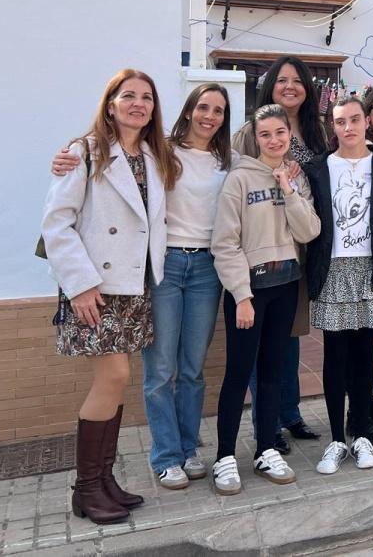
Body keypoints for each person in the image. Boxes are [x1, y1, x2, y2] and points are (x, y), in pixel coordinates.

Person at [50, 83, 235, 490]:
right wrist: (66, 159)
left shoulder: (229, 160)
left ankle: (188, 449)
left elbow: (261, 173)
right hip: (164, 266)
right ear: (187, 111)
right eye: (203, 106)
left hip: (207, 268)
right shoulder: (162, 151)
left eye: (219, 110)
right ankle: (166, 456)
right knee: (161, 368)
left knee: (192, 369)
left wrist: (288, 170)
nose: (210, 115)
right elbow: (75, 205)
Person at [42, 69, 176, 523]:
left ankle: (103, 480)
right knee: (113, 377)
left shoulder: (154, 155)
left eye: (147, 97)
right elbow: (57, 222)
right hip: (94, 288)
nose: (139, 103)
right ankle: (85, 489)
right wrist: (78, 284)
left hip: (134, 286)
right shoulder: (85, 151)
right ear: (111, 102)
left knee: (116, 382)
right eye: (129, 96)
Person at [210, 104, 321, 495]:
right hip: (249, 291)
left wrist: (288, 189)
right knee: (239, 373)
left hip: (286, 285)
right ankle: (224, 456)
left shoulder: (294, 177)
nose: (274, 140)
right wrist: (241, 295)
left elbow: (309, 231)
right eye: (265, 134)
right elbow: (224, 243)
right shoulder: (239, 180)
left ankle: (265, 448)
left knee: (273, 372)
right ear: (255, 138)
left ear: (289, 135)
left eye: (280, 133)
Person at [304, 97, 373, 473]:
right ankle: (335, 438)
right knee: (335, 354)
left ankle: (361, 432)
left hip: (371, 266)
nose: (348, 127)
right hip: (333, 268)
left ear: (366, 122)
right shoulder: (317, 168)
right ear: (333, 127)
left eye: (354, 119)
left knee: (365, 352)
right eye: (340, 121)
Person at [234, 56, 328, 454]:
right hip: (259, 255)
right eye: (282, 80)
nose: (290, 87)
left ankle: (289, 413)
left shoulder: (316, 132)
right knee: (262, 344)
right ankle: (266, 425)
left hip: (301, 249)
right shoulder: (246, 133)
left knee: (290, 338)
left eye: (298, 81)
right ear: (269, 85)